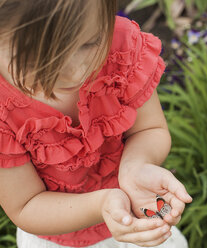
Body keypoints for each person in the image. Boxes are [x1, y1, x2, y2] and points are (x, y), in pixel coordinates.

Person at [0, 0, 193, 247]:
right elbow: (26, 205)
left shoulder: (120, 48)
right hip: (57, 235)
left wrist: (136, 165)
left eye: (90, 43)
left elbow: (149, 129)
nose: (75, 71)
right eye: (37, 60)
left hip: (137, 209)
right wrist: (102, 205)